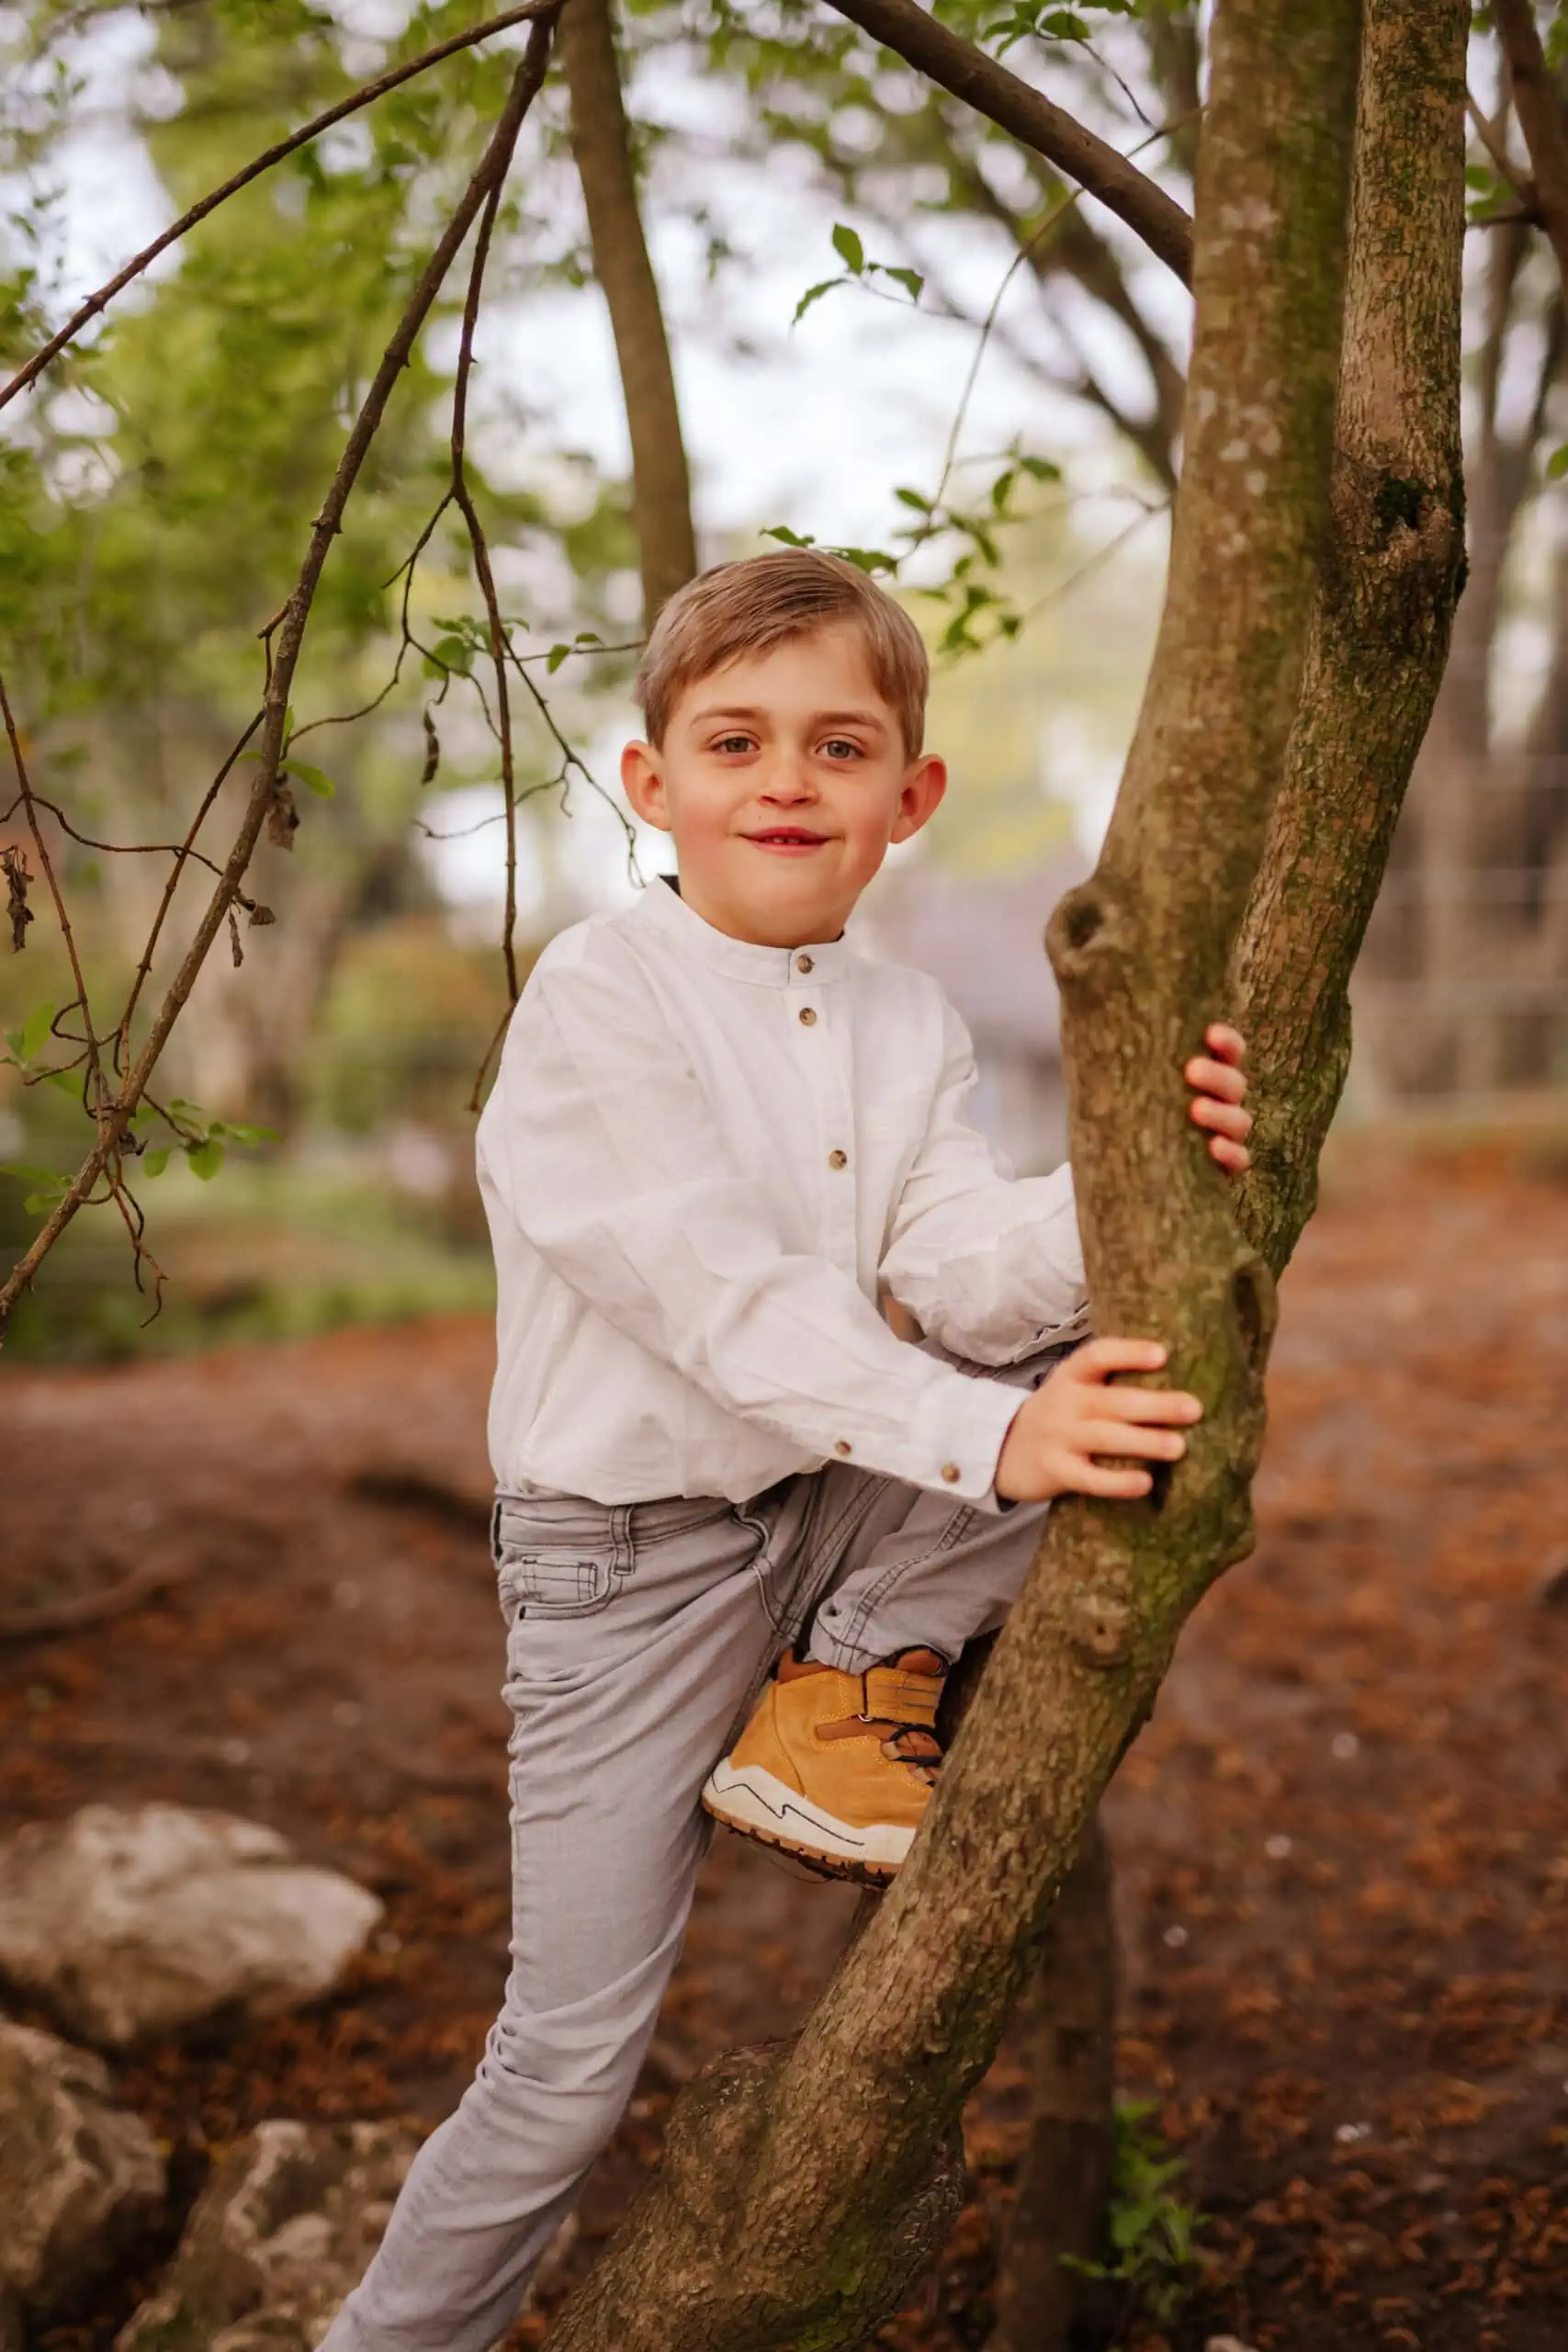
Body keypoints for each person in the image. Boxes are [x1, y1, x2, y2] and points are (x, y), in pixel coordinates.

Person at [321, 550, 1251, 2352]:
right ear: (650, 781)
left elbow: (959, 1272)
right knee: (570, 2062)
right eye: (735, 738)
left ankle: (841, 1689)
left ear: (908, 798)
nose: (785, 779)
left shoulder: (901, 1017)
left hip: (813, 1510)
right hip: (619, 1563)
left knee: (1100, 1361)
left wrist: (1148, 1163)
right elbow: (722, 1301)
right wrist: (987, 1435)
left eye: (838, 746)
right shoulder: (602, 998)